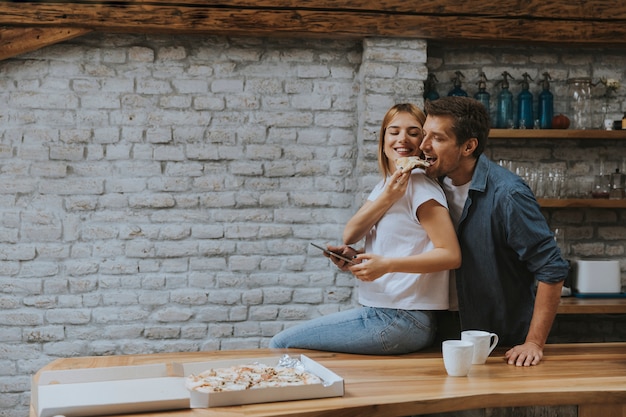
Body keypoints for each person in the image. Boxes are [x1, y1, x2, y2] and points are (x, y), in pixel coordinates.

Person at [269, 103, 461, 355]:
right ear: (383, 140)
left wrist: (386, 265)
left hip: (400, 318)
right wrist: (359, 258)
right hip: (385, 314)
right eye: (394, 132)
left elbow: (451, 255)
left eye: (413, 132)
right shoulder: (387, 186)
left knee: (281, 344)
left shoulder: (420, 187)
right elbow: (350, 234)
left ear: (422, 143)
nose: (402, 138)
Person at [420, 96, 569, 366]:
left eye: (437, 138)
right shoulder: (429, 186)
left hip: (494, 342)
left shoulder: (508, 195)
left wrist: (534, 342)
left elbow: (552, 268)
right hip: (435, 330)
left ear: (468, 146)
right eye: (424, 134)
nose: (423, 145)